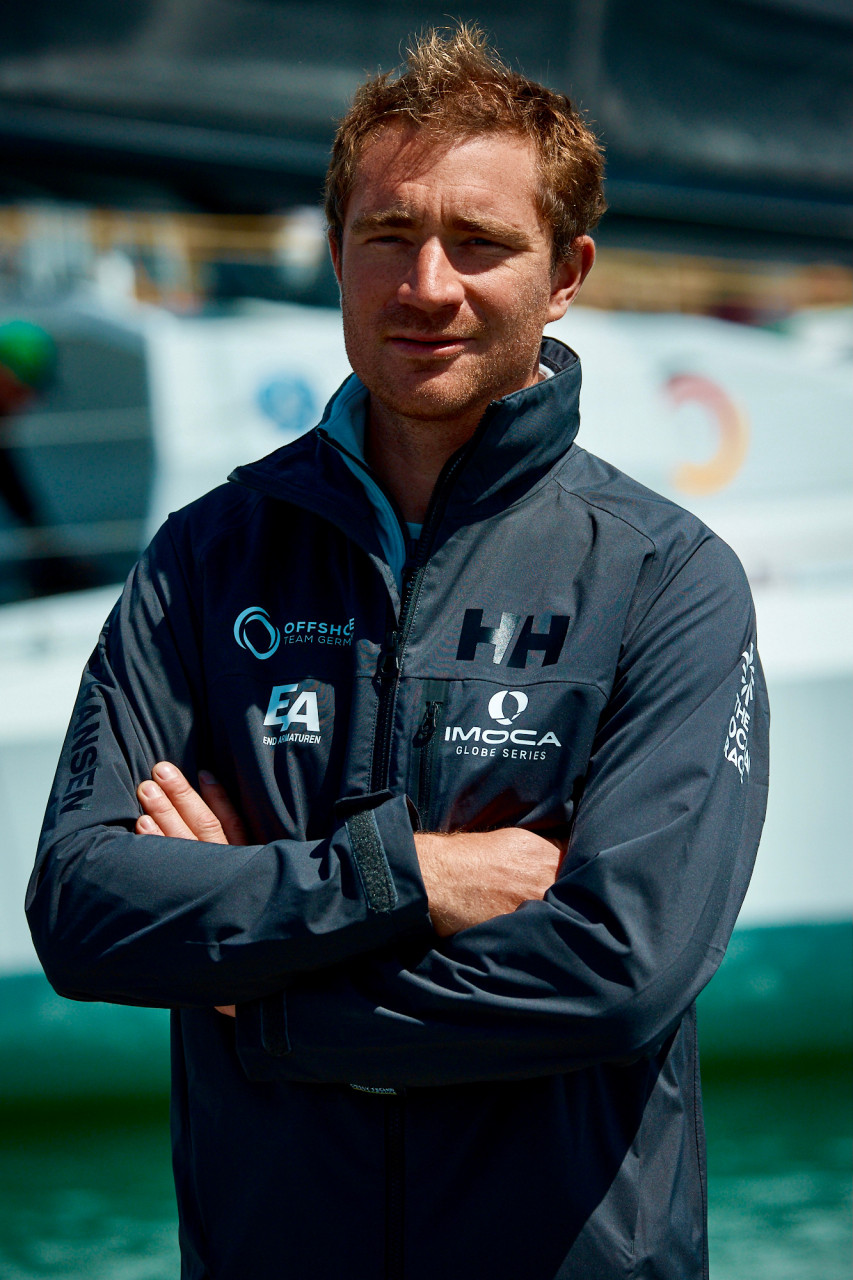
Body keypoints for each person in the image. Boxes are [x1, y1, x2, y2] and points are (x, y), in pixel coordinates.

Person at [27, 24, 768, 1280]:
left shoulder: (666, 579)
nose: (426, 284)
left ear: (566, 272)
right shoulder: (205, 558)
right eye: (388, 235)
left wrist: (259, 987)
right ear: (337, 255)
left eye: (479, 242)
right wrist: (399, 875)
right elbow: (85, 908)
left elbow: (617, 970)